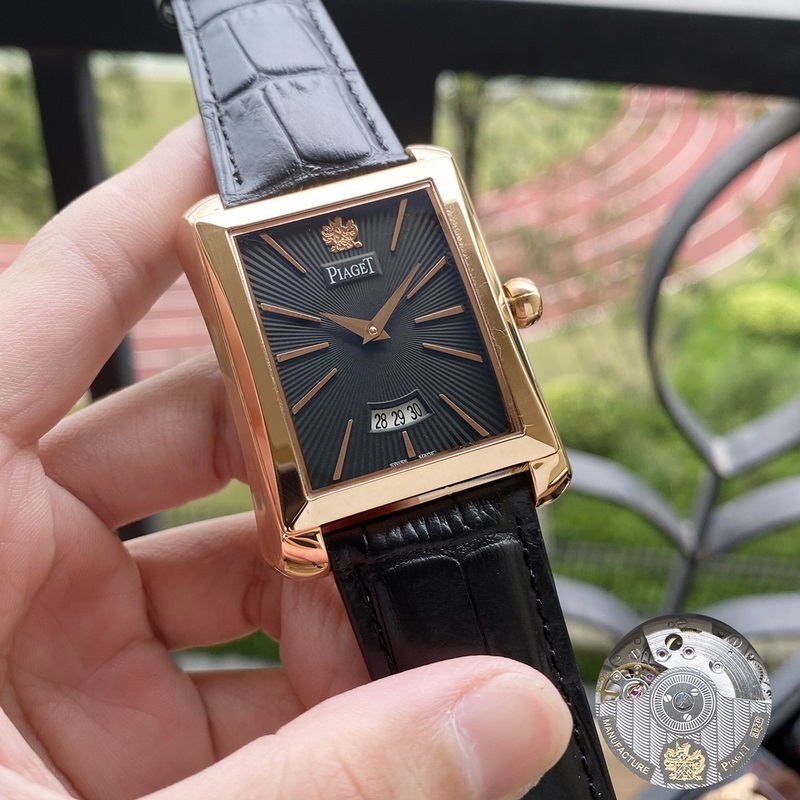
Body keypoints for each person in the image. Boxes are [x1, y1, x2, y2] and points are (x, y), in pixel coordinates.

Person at [0, 119, 571, 800]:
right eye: (365, 332)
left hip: (462, 476)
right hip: (421, 490)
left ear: (508, 308)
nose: (374, 335)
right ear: (517, 307)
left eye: (378, 328)